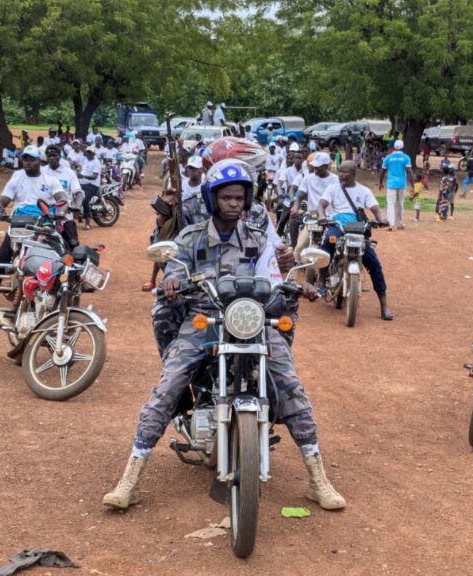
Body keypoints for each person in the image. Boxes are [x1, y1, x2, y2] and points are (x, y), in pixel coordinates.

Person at [103, 159, 345, 511]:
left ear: (247, 200)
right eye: (226, 197)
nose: (233, 203)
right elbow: (175, 266)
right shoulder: (190, 237)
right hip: (205, 320)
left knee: (291, 386)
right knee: (168, 385)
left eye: (239, 197)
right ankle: (130, 478)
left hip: (253, 319)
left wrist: (297, 284)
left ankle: (317, 478)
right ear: (212, 198)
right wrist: (171, 280)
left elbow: (276, 280)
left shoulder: (260, 240)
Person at [0, 146, 66, 319]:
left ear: (40, 162)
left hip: (42, 226)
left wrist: (61, 211)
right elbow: (4, 199)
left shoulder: (51, 180)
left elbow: (62, 198)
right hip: (18, 225)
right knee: (0, 262)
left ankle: (56, 300)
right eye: (25, 158)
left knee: (53, 259)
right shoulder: (17, 177)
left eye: (32, 159)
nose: (27, 162)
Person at [316, 160, 394, 320]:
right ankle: (321, 281)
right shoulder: (333, 188)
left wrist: (381, 219)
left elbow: (375, 209)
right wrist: (322, 216)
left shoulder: (363, 191)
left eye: (345, 172)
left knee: (374, 264)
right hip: (337, 225)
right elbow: (321, 205)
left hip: (358, 229)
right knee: (328, 244)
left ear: (353, 174)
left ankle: (384, 305)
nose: (341, 175)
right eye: (340, 171)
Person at [291, 152, 336, 261]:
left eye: (318, 167)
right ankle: (293, 274)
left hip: (331, 219)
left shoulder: (335, 180)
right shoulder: (308, 178)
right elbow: (300, 196)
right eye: (314, 166)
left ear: (326, 166)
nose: (315, 168)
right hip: (313, 217)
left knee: (336, 247)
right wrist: (295, 207)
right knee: (298, 249)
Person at [41, 144, 83, 249]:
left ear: (59, 156)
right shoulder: (41, 172)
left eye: (54, 155)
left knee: (73, 243)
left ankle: (74, 264)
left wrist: (77, 205)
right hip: (45, 215)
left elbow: (78, 192)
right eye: (49, 155)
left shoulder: (69, 173)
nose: (51, 158)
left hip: (65, 215)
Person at [378, 139, 414, 230]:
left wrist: (380, 182)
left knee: (390, 203)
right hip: (402, 184)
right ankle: (400, 223)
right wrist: (412, 185)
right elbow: (409, 172)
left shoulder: (388, 157)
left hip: (391, 184)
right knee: (400, 203)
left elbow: (382, 171)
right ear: (402, 147)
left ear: (394, 147)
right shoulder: (406, 157)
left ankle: (391, 223)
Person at [78, 146, 102, 230]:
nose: (88, 154)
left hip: (92, 185)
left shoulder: (96, 163)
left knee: (84, 200)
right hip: (84, 184)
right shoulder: (86, 161)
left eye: (90, 152)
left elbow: (94, 176)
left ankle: (87, 223)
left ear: (94, 154)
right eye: (87, 152)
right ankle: (78, 214)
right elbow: (82, 171)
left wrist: (82, 176)